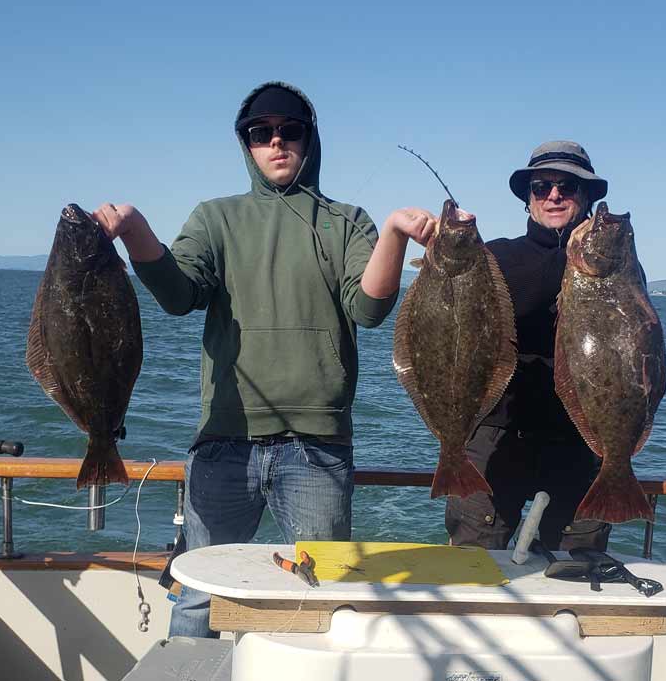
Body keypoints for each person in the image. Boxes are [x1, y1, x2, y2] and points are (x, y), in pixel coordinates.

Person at [92, 81, 434, 638]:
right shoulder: (215, 219)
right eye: (261, 133)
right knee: (197, 602)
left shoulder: (348, 221)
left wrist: (394, 231)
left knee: (323, 603)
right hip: (223, 442)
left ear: (310, 139)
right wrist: (133, 228)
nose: (277, 142)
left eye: (290, 130)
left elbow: (369, 309)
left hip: (317, 447)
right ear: (246, 145)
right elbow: (179, 296)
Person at [444, 140, 613, 554]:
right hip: (495, 435)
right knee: (473, 565)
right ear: (529, 198)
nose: (554, 195)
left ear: (587, 196)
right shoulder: (495, 257)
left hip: (578, 439)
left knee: (579, 566)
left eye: (568, 186)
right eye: (541, 187)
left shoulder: (614, 263)